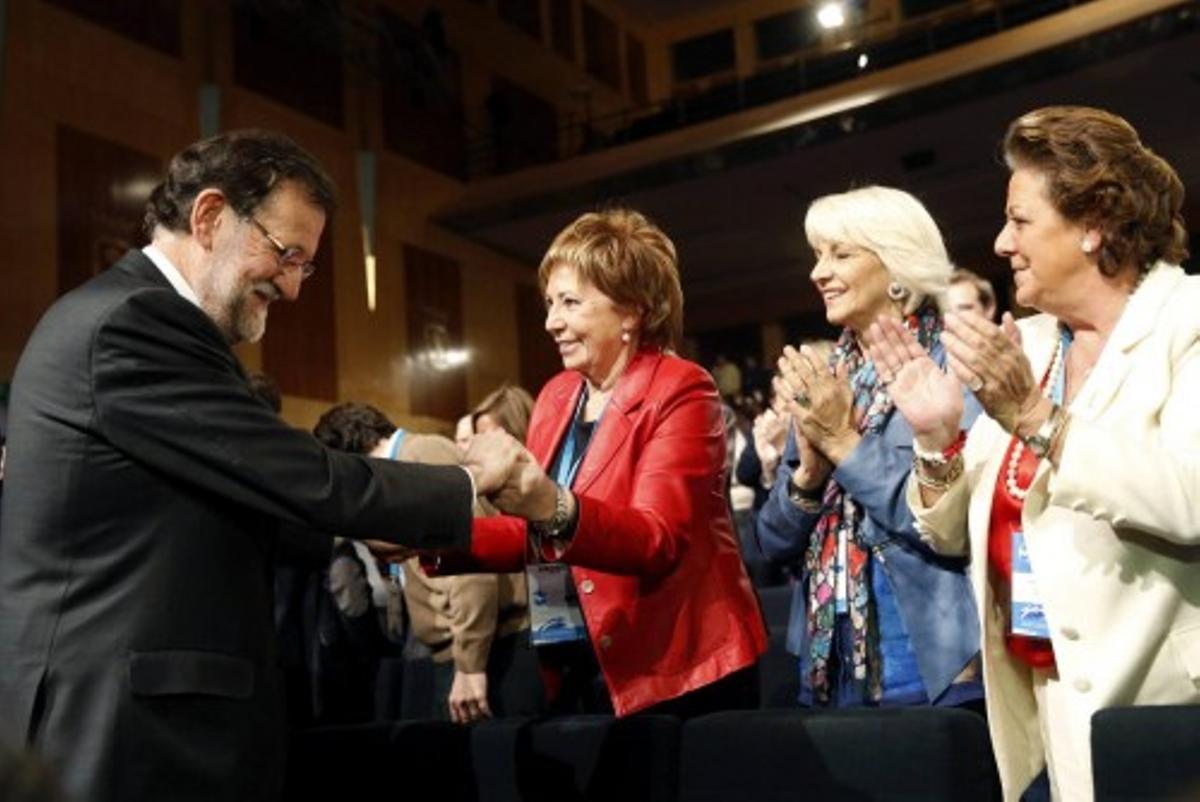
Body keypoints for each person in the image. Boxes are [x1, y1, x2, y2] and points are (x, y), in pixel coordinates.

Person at [0, 130, 515, 802]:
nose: (294, 286)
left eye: (306, 266)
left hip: (136, 725)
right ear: (211, 217)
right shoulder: (135, 322)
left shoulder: (133, 316)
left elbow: (224, 504)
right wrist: (475, 481)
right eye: (287, 253)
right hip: (119, 732)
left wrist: (352, 532)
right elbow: (295, 472)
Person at [867, 106, 1200, 802]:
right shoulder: (1034, 343)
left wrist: (1039, 420)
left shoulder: (1187, 323)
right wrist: (936, 439)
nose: (1001, 242)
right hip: (1051, 714)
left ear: (1093, 224)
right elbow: (951, 532)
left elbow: (1189, 499)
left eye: (1020, 220)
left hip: (1167, 723)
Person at [431, 208, 767, 717]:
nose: (551, 322)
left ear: (631, 310)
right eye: (550, 303)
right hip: (580, 661)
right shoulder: (556, 394)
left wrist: (551, 504)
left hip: (676, 669)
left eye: (570, 302)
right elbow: (537, 533)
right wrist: (436, 533)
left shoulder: (681, 388)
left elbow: (656, 537)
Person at [757, 185, 983, 710]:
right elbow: (772, 541)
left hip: (929, 662)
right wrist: (807, 479)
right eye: (817, 255)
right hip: (827, 664)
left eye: (840, 254)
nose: (818, 273)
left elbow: (949, 523)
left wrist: (844, 444)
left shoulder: (956, 365)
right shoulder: (827, 378)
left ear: (898, 263)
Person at [316, 399, 541, 725]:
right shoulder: (407, 462)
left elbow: (471, 561)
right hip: (460, 650)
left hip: (488, 651)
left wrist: (470, 665)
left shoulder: (422, 454)